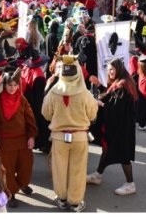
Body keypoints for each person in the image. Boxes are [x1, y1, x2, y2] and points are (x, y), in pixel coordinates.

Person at [42, 54, 98, 212]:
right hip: (80, 137)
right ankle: (75, 202)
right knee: (78, 170)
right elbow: (93, 114)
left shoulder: (54, 91)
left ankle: (61, 198)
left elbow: (45, 113)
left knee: (59, 169)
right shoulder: (85, 94)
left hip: (59, 137)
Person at [0, 69, 36, 208]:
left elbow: (30, 120)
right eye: (9, 85)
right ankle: (10, 193)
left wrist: (31, 136)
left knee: (26, 168)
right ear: (4, 85)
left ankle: (22, 184)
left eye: (15, 85)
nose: (12, 88)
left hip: (23, 141)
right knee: (8, 171)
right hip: (5, 144)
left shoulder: (22, 100)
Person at [85, 58, 138, 195]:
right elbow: (111, 96)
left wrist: (100, 104)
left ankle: (130, 184)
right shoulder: (121, 82)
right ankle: (98, 175)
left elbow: (116, 108)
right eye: (108, 69)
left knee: (123, 155)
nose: (110, 72)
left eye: (112, 69)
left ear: (119, 68)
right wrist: (100, 85)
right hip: (120, 125)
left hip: (122, 128)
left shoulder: (123, 86)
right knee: (107, 149)